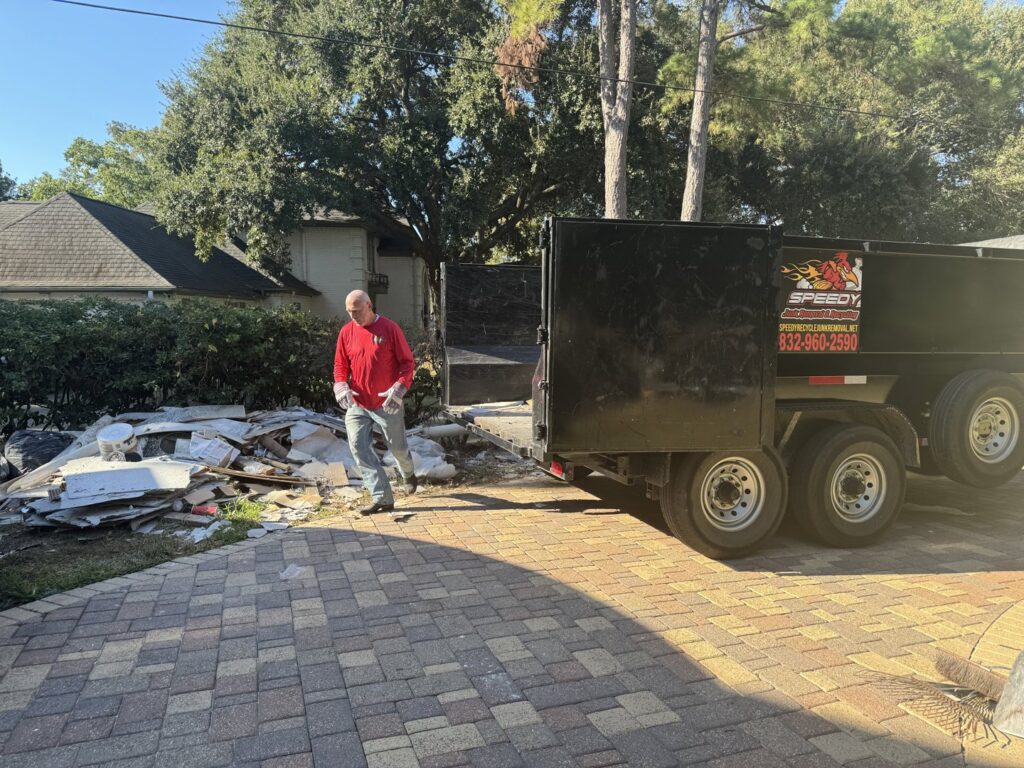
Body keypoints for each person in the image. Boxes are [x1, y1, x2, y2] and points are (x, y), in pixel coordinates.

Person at [333, 289, 418, 515]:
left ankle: (408, 473)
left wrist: (399, 389)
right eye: (349, 312)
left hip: (387, 403)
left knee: (398, 448)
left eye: (357, 311)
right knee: (359, 448)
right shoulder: (346, 332)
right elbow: (340, 366)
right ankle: (382, 497)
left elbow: (407, 363)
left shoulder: (389, 329)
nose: (354, 316)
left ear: (369, 306)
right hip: (358, 403)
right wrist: (341, 386)